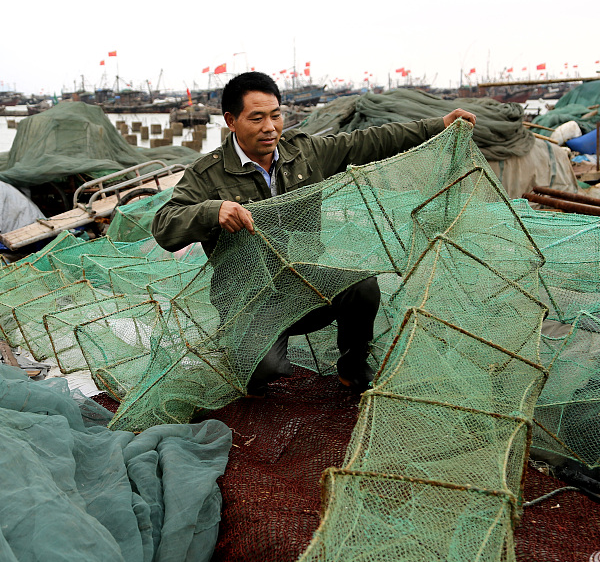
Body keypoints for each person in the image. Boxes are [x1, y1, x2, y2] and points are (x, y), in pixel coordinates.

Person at [152, 72, 476, 397]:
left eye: (275, 115)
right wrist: (212, 211)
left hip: (303, 284)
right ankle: (242, 351)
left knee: (362, 287)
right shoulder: (207, 174)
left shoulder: (303, 153)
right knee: (261, 373)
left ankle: (353, 368)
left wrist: (437, 125)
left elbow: (368, 141)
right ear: (231, 121)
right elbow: (165, 225)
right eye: (257, 118)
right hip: (249, 299)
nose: (270, 127)